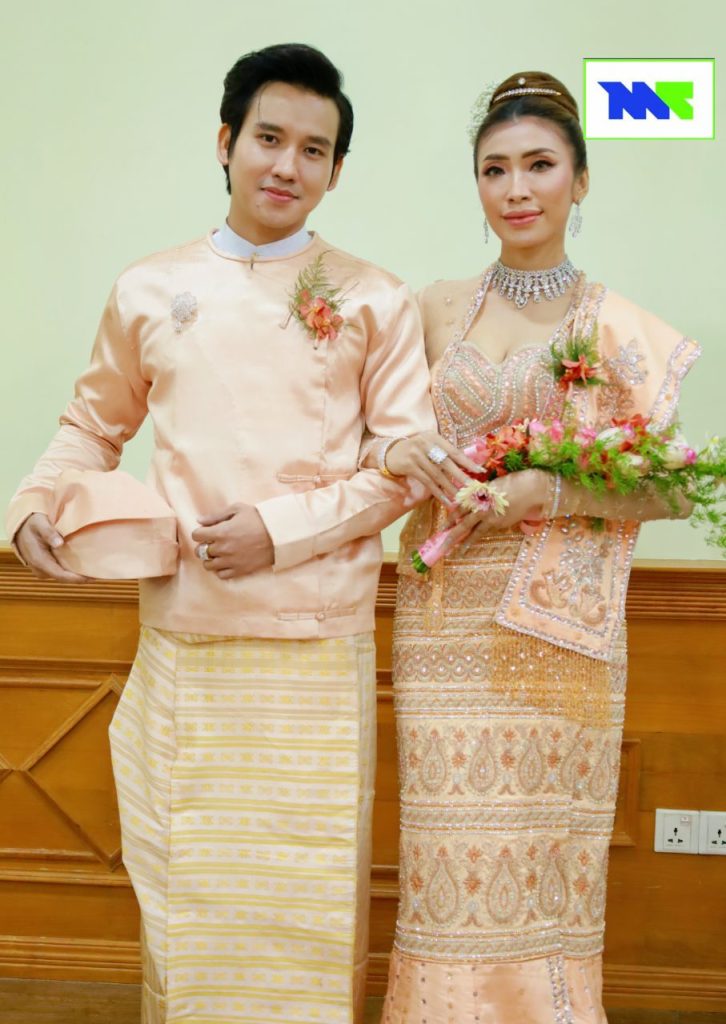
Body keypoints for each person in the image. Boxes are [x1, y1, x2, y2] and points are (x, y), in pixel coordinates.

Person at [5, 43, 437, 1024]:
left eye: (314, 150)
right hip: (187, 633)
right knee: (187, 885)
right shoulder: (149, 288)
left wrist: (277, 532)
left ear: (336, 171)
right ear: (226, 142)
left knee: (308, 894)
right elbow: (91, 425)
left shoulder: (373, 297)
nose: (288, 166)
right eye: (269, 139)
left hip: (315, 639)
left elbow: (404, 465)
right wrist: (32, 502)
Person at [365, 72, 699, 1023]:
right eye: (495, 169)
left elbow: (672, 487)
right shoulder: (435, 309)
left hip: (566, 631)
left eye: (540, 165)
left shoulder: (618, 327)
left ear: (579, 181)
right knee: (448, 843)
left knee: (550, 851)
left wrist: (544, 491)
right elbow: (367, 436)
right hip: (444, 617)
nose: (516, 189)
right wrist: (399, 453)